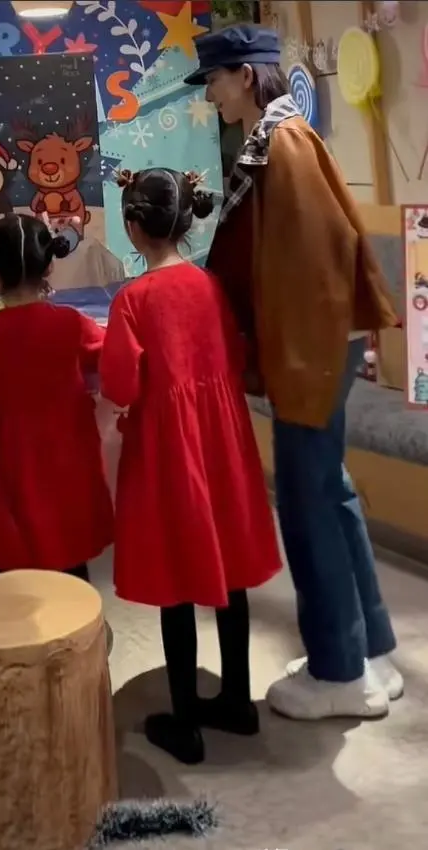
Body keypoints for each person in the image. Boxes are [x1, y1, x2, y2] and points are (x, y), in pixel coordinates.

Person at [184, 25, 401, 721]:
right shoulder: (282, 136)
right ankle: (366, 648)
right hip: (316, 343)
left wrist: (292, 361)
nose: (212, 97)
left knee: (307, 502)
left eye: (215, 81)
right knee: (329, 491)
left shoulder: (281, 142)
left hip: (309, 345)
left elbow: (312, 262)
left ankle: (339, 672)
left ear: (246, 76)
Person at [99, 168, 281, 765]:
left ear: (132, 227)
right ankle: (237, 700)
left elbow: (121, 385)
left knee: (175, 576)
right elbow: (234, 352)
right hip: (222, 440)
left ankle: (184, 722)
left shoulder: (133, 300)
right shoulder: (210, 286)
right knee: (229, 569)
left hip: (168, 449)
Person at [0, 213, 113, 579]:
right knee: (73, 585)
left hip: (7, 484)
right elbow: (113, 358)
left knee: (13, 589)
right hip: (68, 477)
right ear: (50, 265)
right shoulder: (72, 325)